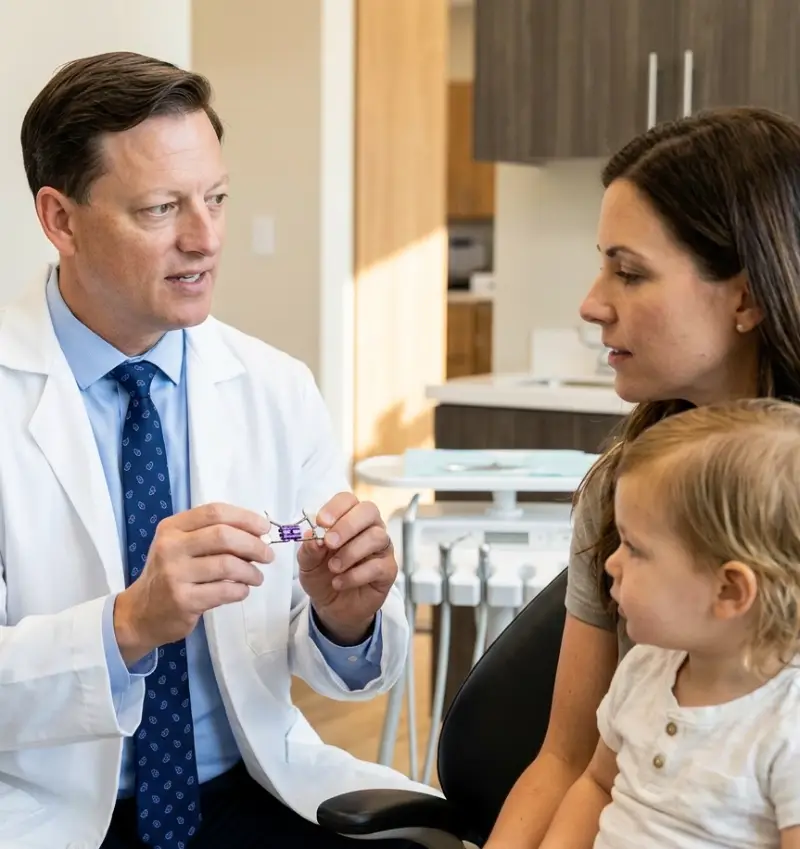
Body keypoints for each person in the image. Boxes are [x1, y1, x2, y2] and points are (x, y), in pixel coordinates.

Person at [0, 52, 434, 849]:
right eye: (162, 208)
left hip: (251, 788)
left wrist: (348, 615)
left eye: (218, 199)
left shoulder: (274, 385)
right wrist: (128, 623)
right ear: (60, 219)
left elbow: (336, 660)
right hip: (47, 811)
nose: (205, 239)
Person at [485, 104, 800, 849]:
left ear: (747, 297)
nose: (592, 303)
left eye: (628, 271)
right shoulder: (618, 490)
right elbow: (569, 760)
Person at [537, 397, 800, 848]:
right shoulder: (644, 671)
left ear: (729, 590)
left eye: (635, 549)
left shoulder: (786, 726)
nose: (612, 565)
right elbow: (597, 785)